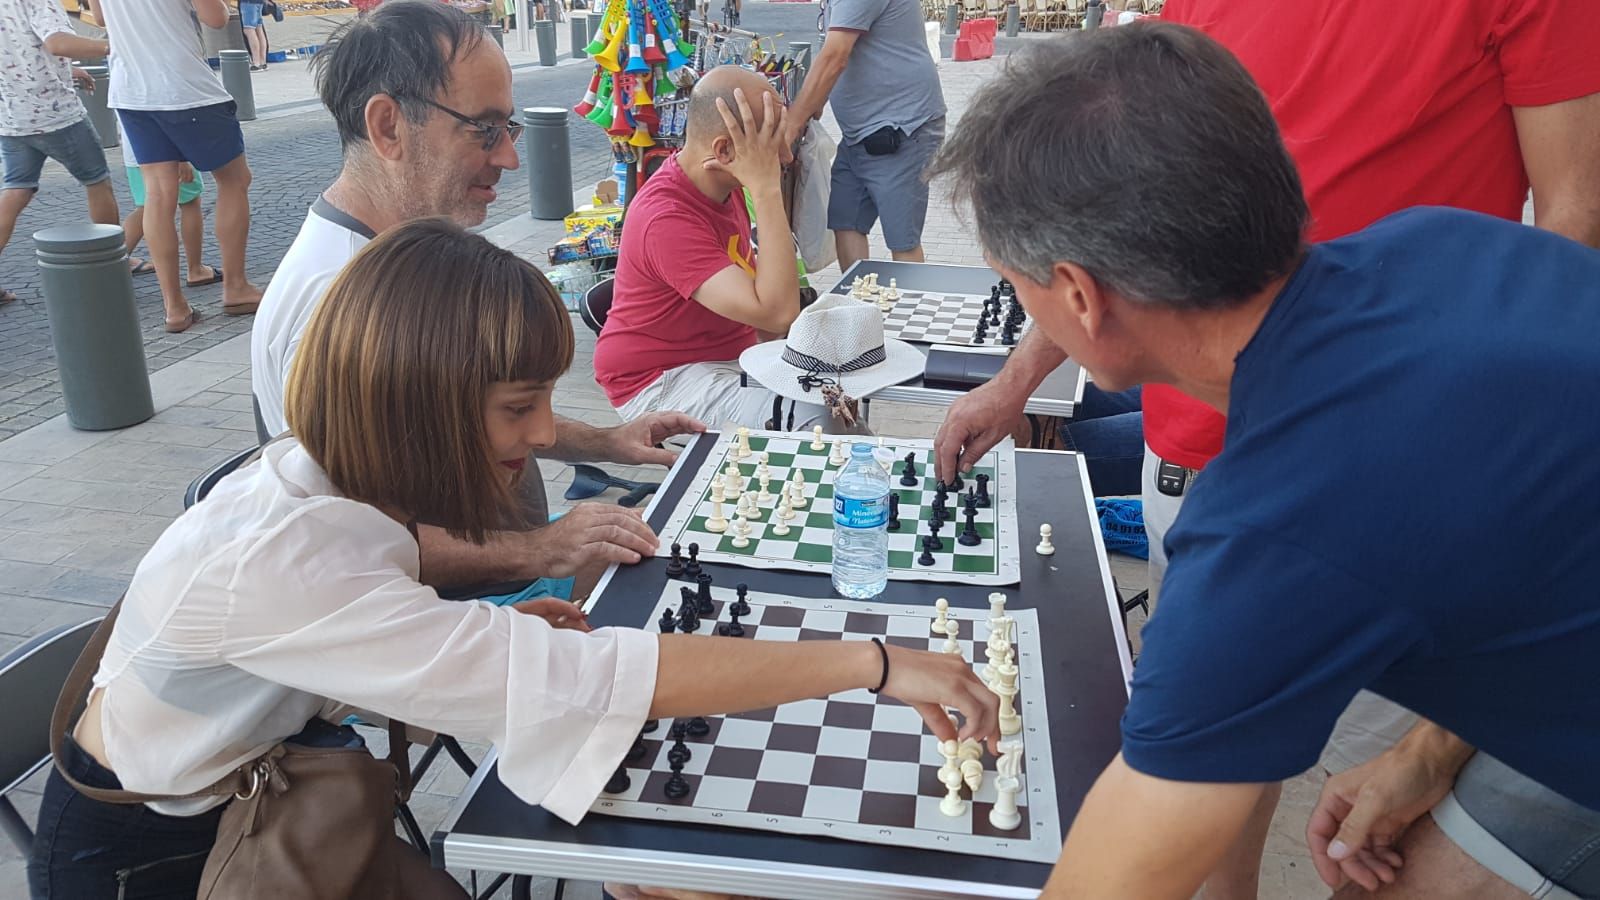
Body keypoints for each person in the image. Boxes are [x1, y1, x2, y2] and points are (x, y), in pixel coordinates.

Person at [25, 217, 1003, 897]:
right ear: (414, 408)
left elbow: (327, 634)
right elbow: (595, 675)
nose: (541, 435)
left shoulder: (326, 476)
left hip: (268, 777)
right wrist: (873, 663)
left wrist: (452, 634)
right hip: (151, 855)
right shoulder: (291, 552)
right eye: (517, 408)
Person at [935, 3, 1600, 895]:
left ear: (1080, 300)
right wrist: (1431, 749)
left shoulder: (1276, 530)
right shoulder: (1435, 241)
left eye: (1016, 284)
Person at [251, 1, 698, 600]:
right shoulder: (337, 302)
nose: (509, 156)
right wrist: (536, 551)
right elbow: (343, 537)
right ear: (388, 127)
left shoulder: (406, 255)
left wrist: (607, 442)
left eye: (509, 128)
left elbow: (466, 408)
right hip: (453, 610)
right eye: (484, 129)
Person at [596, 68, 869, 437]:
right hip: (660, 378)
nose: (786, 156)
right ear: (724, 151)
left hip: (729, 357)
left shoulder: (724, 186)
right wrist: (766, 187)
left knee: (841, 404)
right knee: (817, 416)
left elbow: (770, 316)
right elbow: (777, 314)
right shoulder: (665, 218)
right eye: (772, 143)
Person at [99, 0, 265, 332]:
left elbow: (102, 17)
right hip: (184, 85)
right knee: (234, 180)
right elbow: (216, 17)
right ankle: (235, 286)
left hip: (131, 90)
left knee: (158, 195)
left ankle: (174, 308)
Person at [783, 0, 944, 271]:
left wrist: (791, 126)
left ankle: (908, 297)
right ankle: (859, 294)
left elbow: (835, 56)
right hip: (859, 133)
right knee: (845, 219)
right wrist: (815, 101)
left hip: (901, 129)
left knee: (902, 239)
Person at [0, 0, 118, 305]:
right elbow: (56, 42)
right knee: (98, 182)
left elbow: (22, 48)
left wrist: (66, 68)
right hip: (56, 115)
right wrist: (116, 45)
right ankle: (112, 260)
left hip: (13, 115)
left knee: (16, 190)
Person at [116, 118, 214, 284]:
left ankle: (111, 261)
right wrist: (182, 158)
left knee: (146, 207)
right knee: (190, 203)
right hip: (166, 152)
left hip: (134, 151)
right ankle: (196, 269)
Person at [239, 0, 269, 70]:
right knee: (259, 29)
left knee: (249, 30)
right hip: (258, 2)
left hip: (248, 2)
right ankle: (263, 62)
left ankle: (256, 63)